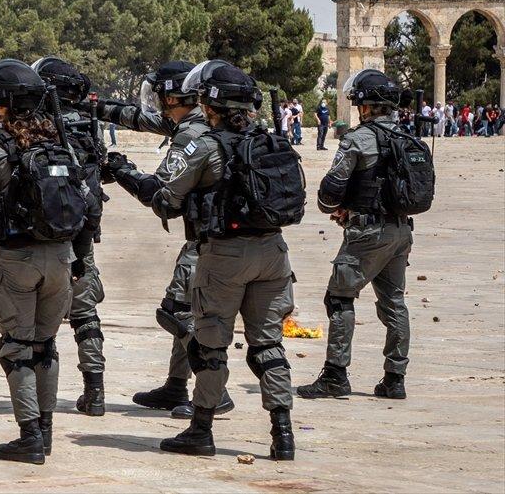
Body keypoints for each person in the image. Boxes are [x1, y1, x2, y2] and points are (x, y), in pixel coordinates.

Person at [112, 60, 302, 461]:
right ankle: (283, 435)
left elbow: (164, 198)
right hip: (274, 254)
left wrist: (124, 171)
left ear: (210, 105)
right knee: (267, 345)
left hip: (224, 255)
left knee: (211, 344)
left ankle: (201, 430)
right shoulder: (269, 141)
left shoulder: (205, 146)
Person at [0, 59, 98, 464]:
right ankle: (45, 433)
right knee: (46, 346)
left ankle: (29, 436)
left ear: (4, 104)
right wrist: (81, 257)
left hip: (18, 259)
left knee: (15, 348)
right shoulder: (60, 142)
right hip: (62, 259)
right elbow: (89, 205)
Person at [96, 60, 234, 420]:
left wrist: (121, 170)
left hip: (208, 240)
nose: (156, 103)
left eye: (160, 96)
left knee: (176, 312)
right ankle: (176, 384)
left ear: (175, 98)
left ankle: (215, 391)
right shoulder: (201, 121)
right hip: (217, 235)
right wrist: (93, 106)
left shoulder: (191, 135)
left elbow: (158, 195)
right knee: (185, 308)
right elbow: (137, 118)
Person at [298, 69, 432, 403]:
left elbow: (332, 188)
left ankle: (335, 375)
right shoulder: (407, 137)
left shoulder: (358, 139)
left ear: (366, 106)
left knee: (339, 298)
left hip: (367, 233)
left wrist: (335, 205)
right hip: (401, 231)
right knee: (394, 303)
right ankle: (395, 378)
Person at [32, 57, 107, 416]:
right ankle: (96, 392)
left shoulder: (39, 127)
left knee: (37, 324)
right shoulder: (86, 128)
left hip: (47, 240)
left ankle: (36, 403)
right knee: (86, 317)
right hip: (82, 237)